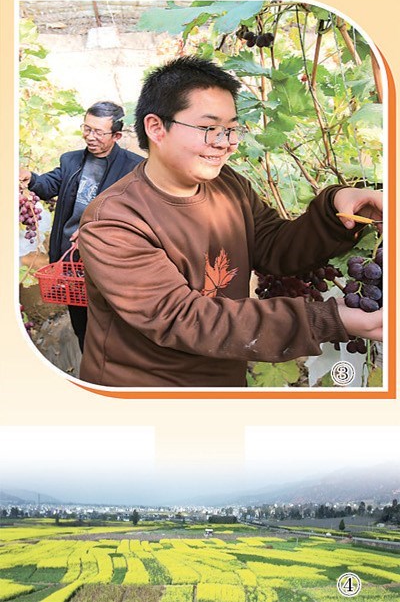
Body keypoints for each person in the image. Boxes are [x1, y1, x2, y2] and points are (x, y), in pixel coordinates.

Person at [78, 58, 383, 389]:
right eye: (209, 128)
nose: (225, 143)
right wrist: (324, 320)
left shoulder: (228, 185)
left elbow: (274, 246)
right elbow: (185, 319)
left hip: (222, 379)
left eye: (232, 129)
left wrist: (335, 209)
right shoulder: (113, 221)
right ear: (156, 128)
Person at [20, 102, 142, 354]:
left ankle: (115, 364)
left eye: (99, 132)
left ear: (117, 135)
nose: (90, 136)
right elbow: (48, 185)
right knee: (81, 322)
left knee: (112, 322)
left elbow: (139, 216)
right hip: (71, 261)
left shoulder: (134, 168)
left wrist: (97, 231)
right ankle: (89, 362)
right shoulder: (71, 160)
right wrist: (31, 178)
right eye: (87, 129)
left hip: (109, 261)